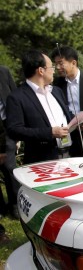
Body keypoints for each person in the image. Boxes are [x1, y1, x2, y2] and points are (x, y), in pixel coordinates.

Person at [6, 50, 73, 164]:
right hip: (41, 160)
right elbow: (14, 130)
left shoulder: (56, 91)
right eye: (51, 66)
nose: (54, 70)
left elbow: (66, 116)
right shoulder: (17, 97)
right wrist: (50, 132)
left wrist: (78, 122)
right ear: (41, 71)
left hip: (68, 154)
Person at [0, 65, 18, 218]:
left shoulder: (3, 71)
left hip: (6, 127)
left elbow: (15, 97)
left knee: (9, 167)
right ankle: (1, 207)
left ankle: (15, 205)